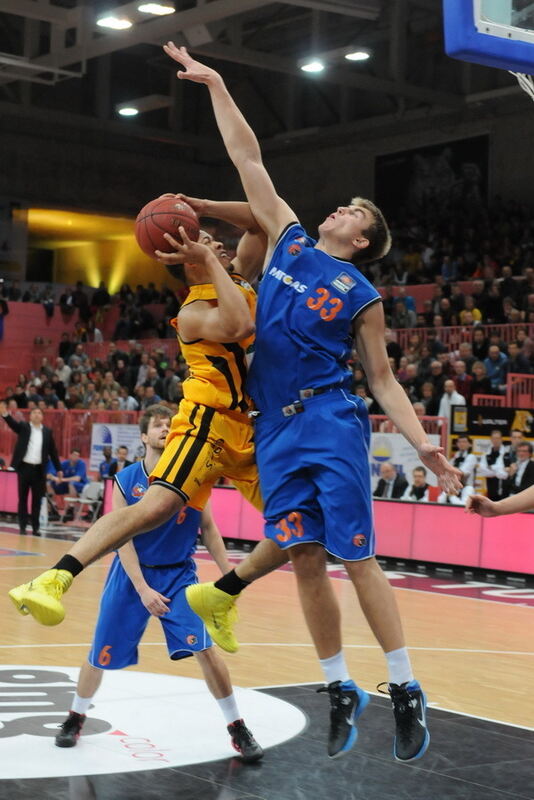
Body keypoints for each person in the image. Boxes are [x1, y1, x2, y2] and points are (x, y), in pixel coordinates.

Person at [159, 46, 461, 764]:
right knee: (300, 555)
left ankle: (405, 685)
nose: (338, 208)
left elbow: (384, 381)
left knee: (356, 559)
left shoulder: (362, 294)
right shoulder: (288, 241)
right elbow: (249, 158)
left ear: (360, 240)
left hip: (329, 418)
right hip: (274, 429)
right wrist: (220, 85)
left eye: (352, 212)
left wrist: (424, 446)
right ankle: (338, 688)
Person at [9, 209, 287, 625]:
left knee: (302, 524)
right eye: (209, 241)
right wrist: (205, 258)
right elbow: (239, 323)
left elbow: (260, 223)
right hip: (206, 422)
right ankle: (53, 578)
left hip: (250, 428)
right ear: (189, 258)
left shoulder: (237, 277)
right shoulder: (193, 312)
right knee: (153, 509)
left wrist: (199, 206)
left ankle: (221, 595)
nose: (221, 246)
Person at [55, 405, 262, 762]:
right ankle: (75, 716)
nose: (166, 429)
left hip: (179, 574)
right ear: (144, 437)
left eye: (171, 425)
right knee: (99, 653)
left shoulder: (192, 477)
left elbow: (209, 529)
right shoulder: (126, 480)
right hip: (131, 576)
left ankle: (237, 727)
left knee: (206, 650)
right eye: (158, 425)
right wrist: (143, 589)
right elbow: (122, 540)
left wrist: (230, 578)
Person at [0, 403, 62, 536]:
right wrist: (5, 414)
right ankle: (22, 526)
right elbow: (13, 424)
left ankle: (35, 528)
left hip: (39, 470)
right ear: (30, 416)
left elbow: (53, 451)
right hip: (24, 468)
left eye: (39, 413)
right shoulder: (24, 427)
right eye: (34, 413)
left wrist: (59, 469)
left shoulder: (47, 431)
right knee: (22, 498)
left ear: (42, 417)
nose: (36, 415)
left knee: (37, 500)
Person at [437, 435, 477, 506]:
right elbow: (447, 471)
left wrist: (450, 471)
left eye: (464, 442)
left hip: (466, 487)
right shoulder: (454, 458)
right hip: (454, 486)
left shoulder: (471, 457)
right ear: (457, 444)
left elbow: (461, 472)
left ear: (469, 444)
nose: (462, 444)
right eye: (460, 442)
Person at [477, 429, 510, 501]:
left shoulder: (507, 453)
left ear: (501, 439)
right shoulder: (486, 454)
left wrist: (490, 467)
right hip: (490, 489)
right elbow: (483, 471)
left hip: (505, 490)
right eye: (494, 438)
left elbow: (505, 475)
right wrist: (499, 470)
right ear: (491, 439)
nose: (496, 440)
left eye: (498, 438)